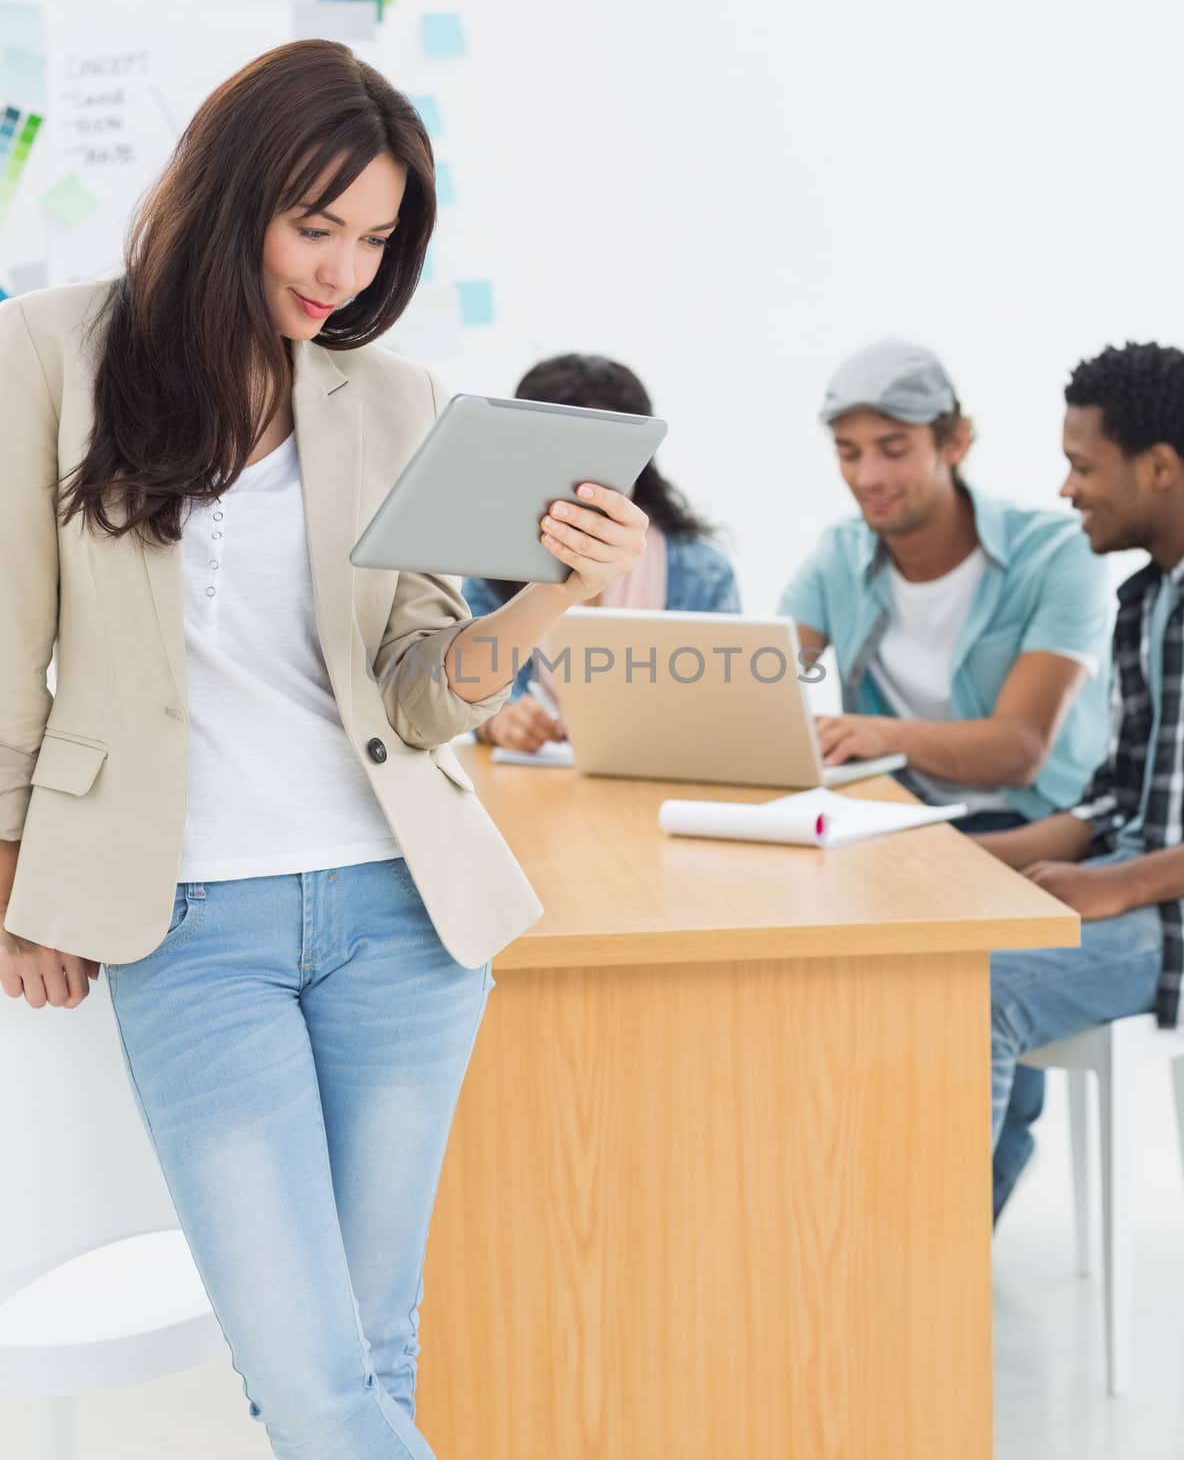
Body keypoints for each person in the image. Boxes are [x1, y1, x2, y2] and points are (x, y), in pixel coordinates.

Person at [0, 40, 648, 1460]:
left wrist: (550, 593)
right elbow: (5, 642)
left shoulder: (394, 400)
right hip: (189, 925)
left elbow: (422, 697)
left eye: (375, 240)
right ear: (230, 195)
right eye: (317, 227)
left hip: (405, 920)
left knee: (368, 1355)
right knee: (311, 1377)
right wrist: (14, 872)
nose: (344, 273)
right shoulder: (51, 351)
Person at [978, 343, 1184, 1223]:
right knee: (919, 934)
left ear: (1162, 467)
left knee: (969, 987)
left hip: (1164, 916)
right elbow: (1113, 798)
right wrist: (961, 858)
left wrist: (1119, 885)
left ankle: (920, 1305)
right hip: (1132, 891)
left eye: (1082, 466)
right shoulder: (1145, 600)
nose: (1067, 490)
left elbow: (1127, 853)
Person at [777, 339, 1112, 836]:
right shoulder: (838, 555)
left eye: (894, 451)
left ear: (956, 442)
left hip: (1032, 822)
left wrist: (879, 735)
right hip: (898, 815)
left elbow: (1018, 751)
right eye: (848, 454)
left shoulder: (1059, 552)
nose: (868, 477)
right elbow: (765, 680)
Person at [462, 353, 740, 754]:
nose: (578, 482)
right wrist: (498, 720)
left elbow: (725, 713)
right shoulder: (488, 570)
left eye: (602, 459)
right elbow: (464, 695)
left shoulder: (703, 574)